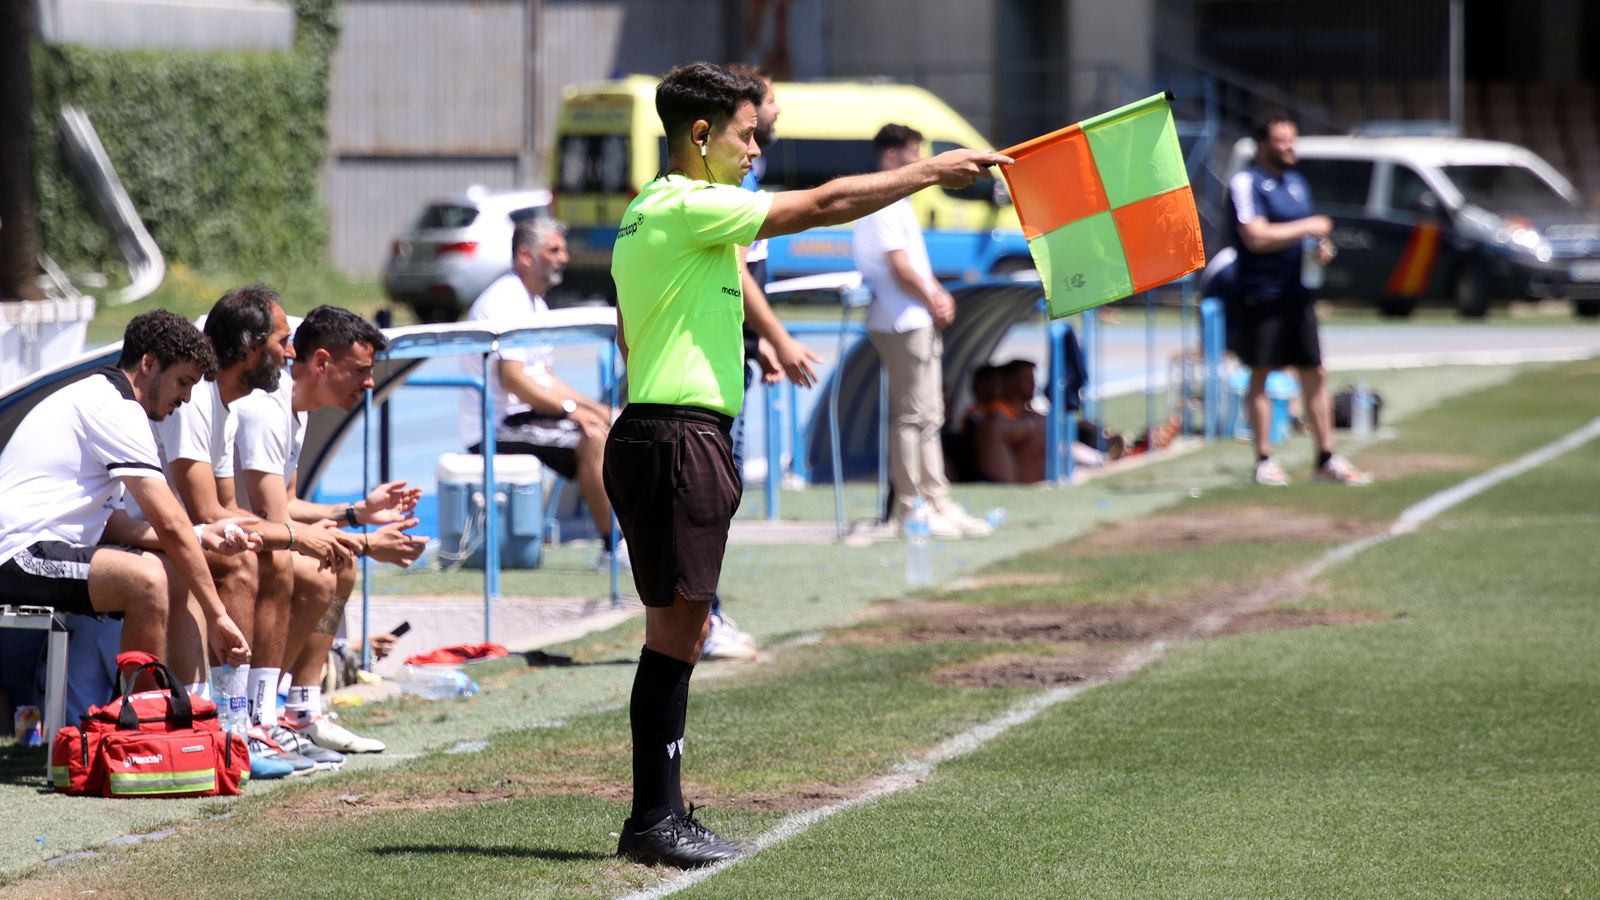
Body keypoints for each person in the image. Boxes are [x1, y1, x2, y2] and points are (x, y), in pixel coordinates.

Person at [605, 61, 1009, 868]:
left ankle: (662, 810)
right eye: (746, 135)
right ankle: (655, 818)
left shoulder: (662, 210)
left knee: (676, 634)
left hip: (669, 434)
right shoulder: (690, 205)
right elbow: (821, 205)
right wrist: (930, 171)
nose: (756, 150)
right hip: (676, 436)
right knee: (677, 636)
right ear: (699, 135)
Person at [0, 310, 253, 689]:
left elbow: (116, 525)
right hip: (16, 555)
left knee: (173, 569)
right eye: (183, 382)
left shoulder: (113, 404)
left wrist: (200, 536)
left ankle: (196, 717)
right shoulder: (114, 407)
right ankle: (142, 727)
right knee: (147, 578)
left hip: (45, 550)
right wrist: (218, 616)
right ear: (149, 363)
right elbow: (168, 521)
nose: (185, 398)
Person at [235, 305, 424, 765]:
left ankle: (301, 708)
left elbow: (286, 503)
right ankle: (255, 718)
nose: (369, 383)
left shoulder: (295, 412)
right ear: (321, 361)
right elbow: (271, 519)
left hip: (255, 530)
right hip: (231, 538)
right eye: (360, 370)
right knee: (321, 571)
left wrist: (357, 513)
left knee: (338, 563)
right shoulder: (266, 409)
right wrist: (365, 541)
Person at [852, 123, 993, 538]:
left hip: (913, 319)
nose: (923, 163)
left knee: (929, 415)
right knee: (912, 416)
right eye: (916, 153)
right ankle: (912, 507)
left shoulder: (894, 198)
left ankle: (936, 500)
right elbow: (898, 264)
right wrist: (935, 295)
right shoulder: (882, 197)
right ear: (893, 156)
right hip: (901, 320)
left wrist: (932, 298)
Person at [459, 217, 625, 568]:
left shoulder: (534, 303)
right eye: (554, 250)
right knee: (594, 438)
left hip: (524, 417)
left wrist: (597, 408)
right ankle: (613, 549)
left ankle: (632, 537)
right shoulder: (505, 301)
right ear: (524, 256)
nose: (564, 257)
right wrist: (572, 412)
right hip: (496, 427)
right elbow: (515, 380)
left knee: (613, 425)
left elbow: (544, 378)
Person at [1229, 110, 1370, 487]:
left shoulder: (1296, 183)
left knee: (1315, 372)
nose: (1289, 147)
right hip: (1262, 293)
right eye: (1281, 140)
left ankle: (1325, 458)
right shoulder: (1246, 183)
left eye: (1292, 139)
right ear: (1262, 144)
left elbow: (1303, 236)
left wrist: (1317, 247)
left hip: (1297, 293)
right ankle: (1263, 460)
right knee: (1260, 373)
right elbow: (1255, 237)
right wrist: (1308, 227)